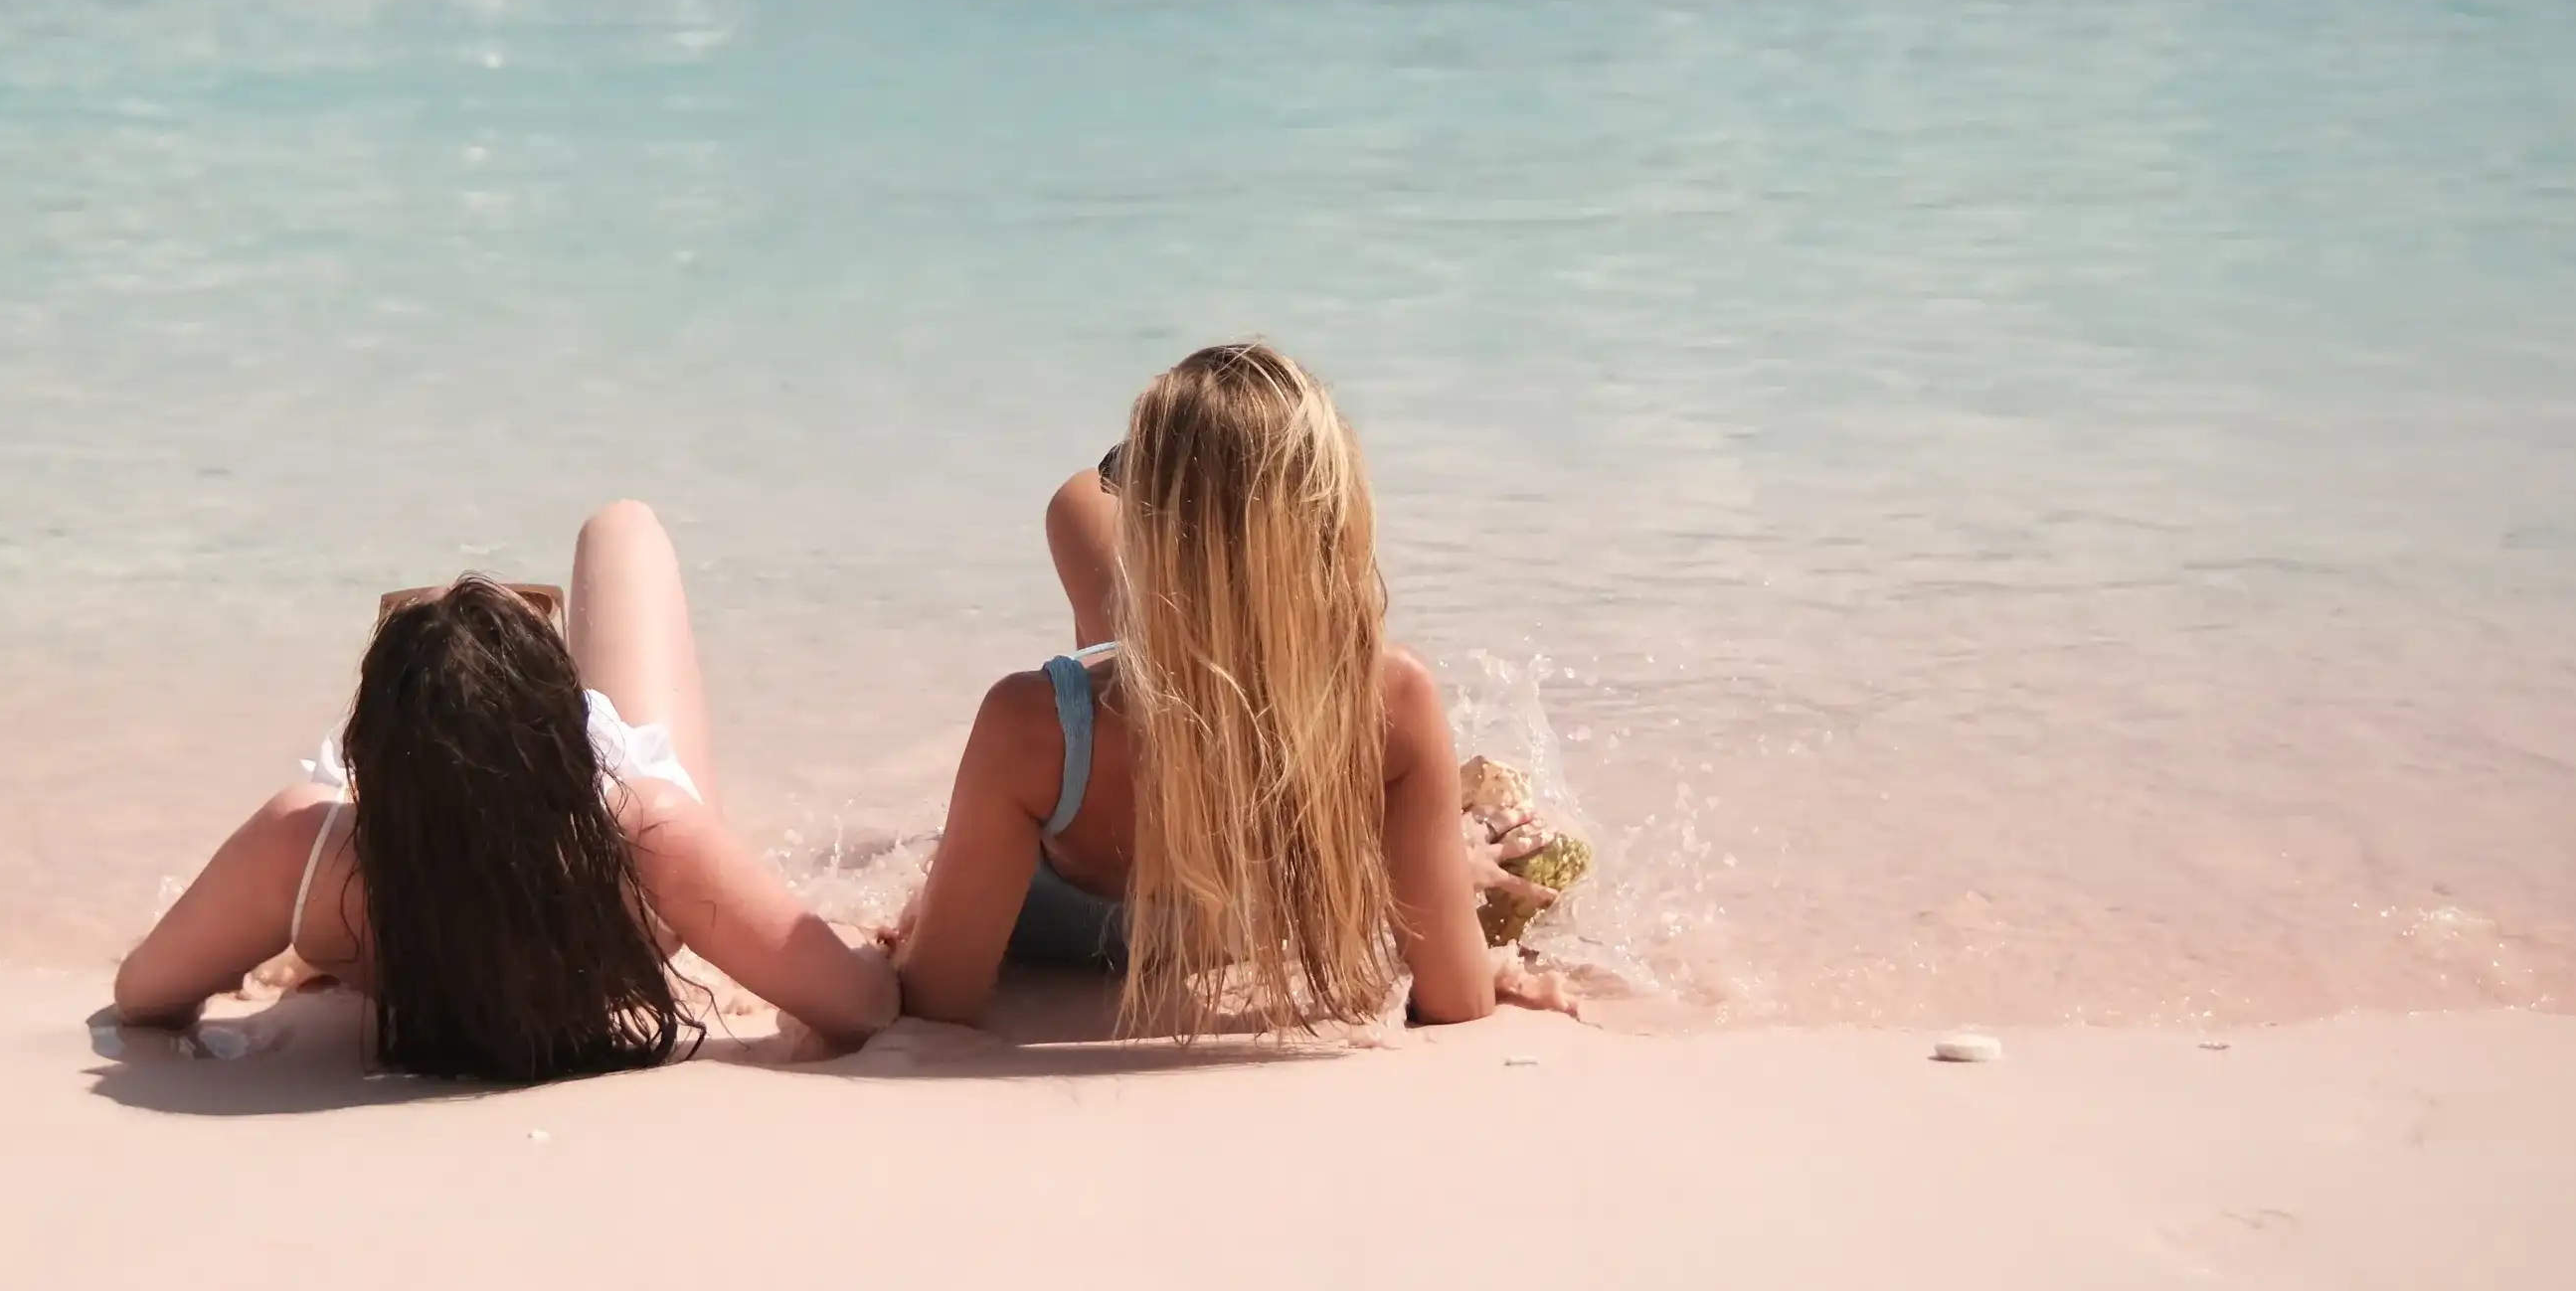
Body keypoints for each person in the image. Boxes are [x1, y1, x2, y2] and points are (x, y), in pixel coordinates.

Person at [891, 342, 1571, 1035]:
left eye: (1124, 477)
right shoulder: (1391, 699)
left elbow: (934, 1008)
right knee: (1080, 511)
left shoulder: (1033, 727)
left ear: (1146, 535)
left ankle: (1188, 498)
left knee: (1081, 516)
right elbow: (1457, 1004)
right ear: (1339, 521)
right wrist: (1427, 893)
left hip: (1119, 725)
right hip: (1247, 786)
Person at [111, 501, 898, 1080]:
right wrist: (894, 937)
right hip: (589, 856)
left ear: (365, 756)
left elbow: (145, 994)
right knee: (622, 531)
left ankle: (441, 680)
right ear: (579, 748)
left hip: (397, 854)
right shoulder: (647, 836)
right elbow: (863, 1007)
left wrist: (276, 951)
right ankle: (504, 670)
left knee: (440, 698)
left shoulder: (306, 853)